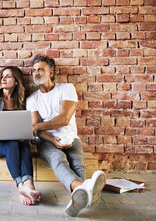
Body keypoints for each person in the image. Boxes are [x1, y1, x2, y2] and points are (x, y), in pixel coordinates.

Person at [26, 56, 106, 216]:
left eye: (40, 69)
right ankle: (82, 190)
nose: (36, 73)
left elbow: (64, 119)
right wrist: (52, 139)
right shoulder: (32, 99)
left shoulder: (66, 88)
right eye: (34, 70)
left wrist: (35, 126)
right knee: (58, 160)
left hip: (71, 137)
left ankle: (77, 200)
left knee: (77, 165)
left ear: (51, 72)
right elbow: (37, 132)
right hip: (45, 140)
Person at [0, 66, 41, 205]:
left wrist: (23, 134)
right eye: (3, 76)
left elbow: (27, 126)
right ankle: (20, 186)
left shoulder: (22, 101)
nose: (4, 79)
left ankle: (29, 185)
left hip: (17, 142)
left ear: (17, 81)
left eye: (8, 76)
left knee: (23, 146)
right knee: (12, 143)